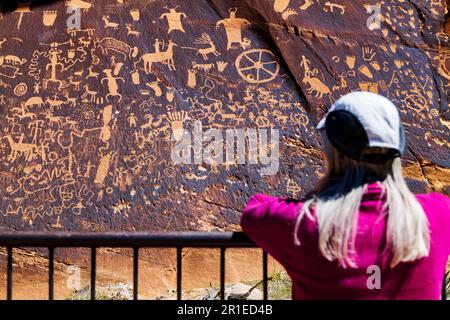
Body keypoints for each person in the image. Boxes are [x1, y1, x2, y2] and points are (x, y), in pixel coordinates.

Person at [241, 91, 450, 300]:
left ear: (330, 153)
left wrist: (320, 198)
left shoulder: (306, 224)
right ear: (399, 145)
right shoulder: (439, 214)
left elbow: (254, 210)